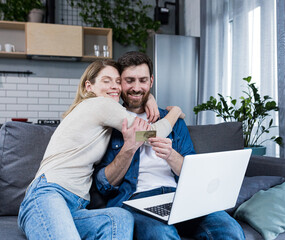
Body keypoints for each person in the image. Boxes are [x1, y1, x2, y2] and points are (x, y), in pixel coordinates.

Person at [17, 59, 184, 240]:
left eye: (118, 82)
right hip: (48, 194)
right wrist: (176, 111)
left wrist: (149, 98)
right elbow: (153, 134)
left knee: (119, 218)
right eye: (107, 81)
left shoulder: (105, 113)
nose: (115, 87)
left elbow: (134, 112)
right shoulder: (101, 105)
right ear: (89, 86)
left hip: (77, 205)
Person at [94, 52, 245, 240]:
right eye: (129, 80)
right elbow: (103, 184)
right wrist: (128, 149)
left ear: (151, 81)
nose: (136, 87)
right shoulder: (110, 123)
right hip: (135, 200)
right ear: (120, 83)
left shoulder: (173, 121)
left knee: (229, 230)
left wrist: (171, 155)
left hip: (181, 197)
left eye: (142, 80)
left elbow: (195, 174)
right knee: (162, 234)